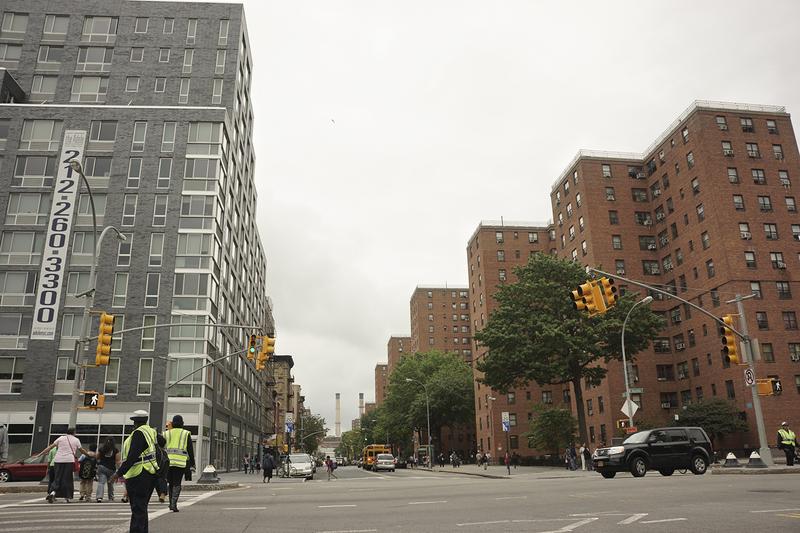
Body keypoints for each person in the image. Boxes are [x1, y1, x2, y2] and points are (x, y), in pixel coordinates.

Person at [110, 410, 159, 533]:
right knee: (141, 508)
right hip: (149, 473)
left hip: (139, 473)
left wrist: (118, 473)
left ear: (135, 422)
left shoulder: (138, 433)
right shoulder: (151, 431)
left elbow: (132, 456)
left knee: (137, 508)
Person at [38, 428, 93, 503]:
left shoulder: (61, 438)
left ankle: (52, 493)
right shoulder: (76, 440)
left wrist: (40, 454)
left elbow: (50, 447)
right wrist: (88, 455)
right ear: (74, 432)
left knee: (57, 478)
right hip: (68, 461)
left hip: (57, 460)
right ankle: (67, 497)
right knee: (67, 479)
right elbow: (81, 450)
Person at [163, 414, 195, 512]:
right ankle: (174, 504)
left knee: (170, 482)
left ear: (172, 423)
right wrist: (192, 463)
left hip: (168, 462)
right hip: (180, 462)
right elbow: (190, 449)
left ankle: (170, 503)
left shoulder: (166, 433)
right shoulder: (185, 433)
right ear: (182, 423)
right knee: (177, 483)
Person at [96, 437, 120, 502]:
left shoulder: (101, 449)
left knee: (101, 483)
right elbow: (117, 461)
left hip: (102, 467)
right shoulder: (115, 450)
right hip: (111, 469)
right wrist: (119, 469)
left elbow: (97, 457)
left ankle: (99, 497)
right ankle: (111, 497)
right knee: (110, 483)